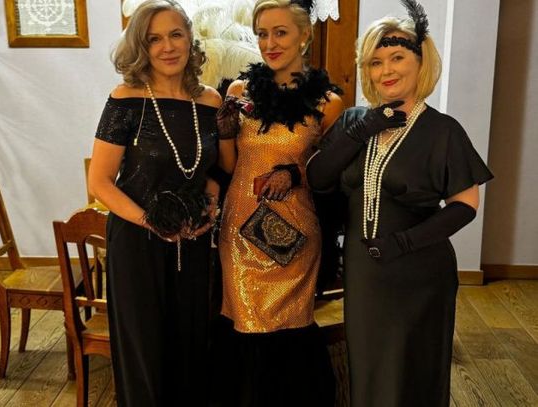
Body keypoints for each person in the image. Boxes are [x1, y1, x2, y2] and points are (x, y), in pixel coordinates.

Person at [306, 0, 493, 406]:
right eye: (376, 62)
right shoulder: (355, 121)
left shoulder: (443, 130)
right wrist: (362, 129)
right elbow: (317, 178)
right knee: (369, 368)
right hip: (363, 271)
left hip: (420, 272)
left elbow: (466, 204)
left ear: (420, 62)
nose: (386, 70)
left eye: (397, 58)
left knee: (415, 372)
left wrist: (403, 243)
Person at [88, 1, 221, 405]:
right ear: (141, 47)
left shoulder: (211, 102)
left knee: (191, 345)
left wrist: (210, 204)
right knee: (144, 350)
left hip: (193, 241)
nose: (168, 47)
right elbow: (100, 182)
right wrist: (151, 222)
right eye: (154, 39)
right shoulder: (125, 99)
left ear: (190, 40)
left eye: (176, 34)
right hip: (137, 241)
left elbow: (211, 170)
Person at [213, 0, 344, 406]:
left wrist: (295, 173)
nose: (269, 43)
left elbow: (330, 175)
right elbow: (230, 166)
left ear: (305, 35)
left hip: (296, 231)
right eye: (262, 34)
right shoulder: (239, 91)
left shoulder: (328, 102)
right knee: (245, 320)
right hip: (241, 227)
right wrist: (224, 132)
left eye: (280, 32)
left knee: (291, 323)